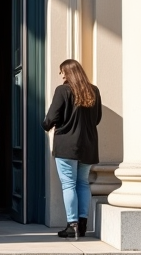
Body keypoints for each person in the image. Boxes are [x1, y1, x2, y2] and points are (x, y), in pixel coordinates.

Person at [42, 58, 101, 239]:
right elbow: (97, 118)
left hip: (67, 145)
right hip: (88, 145)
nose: (60, 76)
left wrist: (47, 125)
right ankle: (82, 226)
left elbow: (51, 117)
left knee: (69, 184)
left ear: (67, 73)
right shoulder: (94, 91)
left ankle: (72, 225)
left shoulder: (63, 90)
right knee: (83, 183)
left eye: (61, 72)